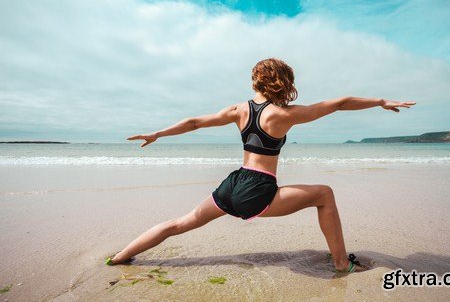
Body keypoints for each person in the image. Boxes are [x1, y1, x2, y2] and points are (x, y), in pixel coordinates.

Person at [107, 58, 416, 273]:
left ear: (256, 82)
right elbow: (338, 103)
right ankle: (340, 263)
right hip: (257, 189)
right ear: (282, 82)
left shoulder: (238, 110)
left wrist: (158, 133)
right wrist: (380, 101)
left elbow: (193, 122)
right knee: (324, 194)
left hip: (232, 185)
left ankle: (120, 257)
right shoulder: (284, 115)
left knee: (179, 223)